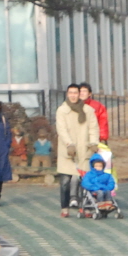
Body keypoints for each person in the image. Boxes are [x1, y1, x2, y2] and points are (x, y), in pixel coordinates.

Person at [55, 83, 101, 217]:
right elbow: (61, 129)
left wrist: (93, 143)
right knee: (65, 182)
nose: (73, 95)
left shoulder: (88, 110)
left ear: (79, 94)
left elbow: (93, 128)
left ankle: (86, 208)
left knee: (85, 182)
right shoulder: (62, 110)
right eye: (71, 93)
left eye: (76, 93)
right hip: (68, 151)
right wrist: (69, 144)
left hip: (84, 150)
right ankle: (65, 208)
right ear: (67, 94)